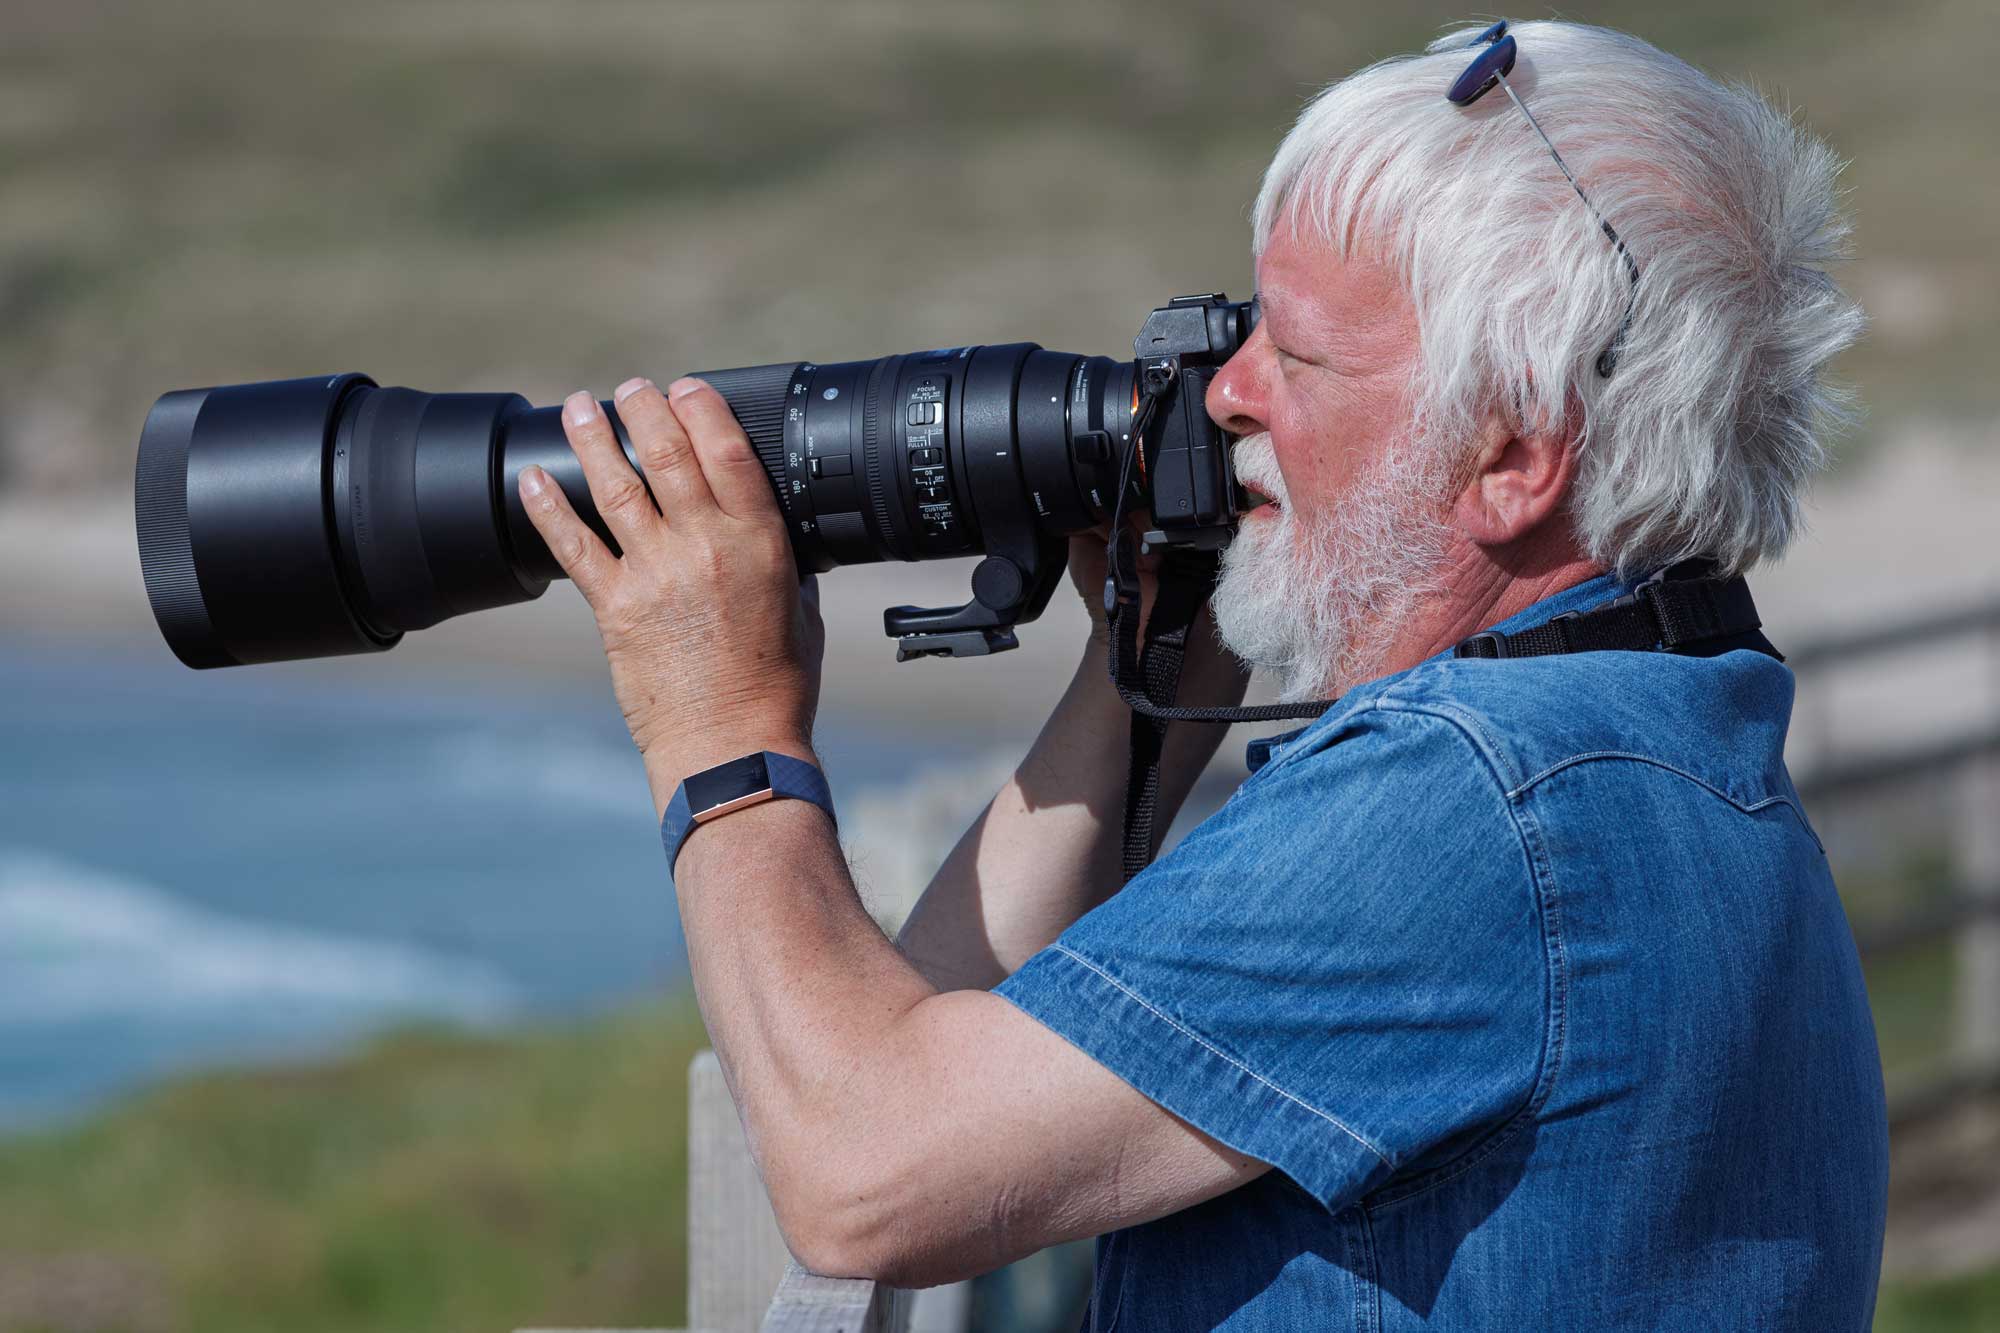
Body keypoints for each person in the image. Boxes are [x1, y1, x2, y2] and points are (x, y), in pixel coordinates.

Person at [514, 19, 1886, 1330]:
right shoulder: (1683, 722)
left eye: (1292, 354)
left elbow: (859, 1169)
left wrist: (722, 725)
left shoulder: (1465, 806)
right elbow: (921, 1061)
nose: (1226, 392)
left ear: (1514, 455)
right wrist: (1146, 684)